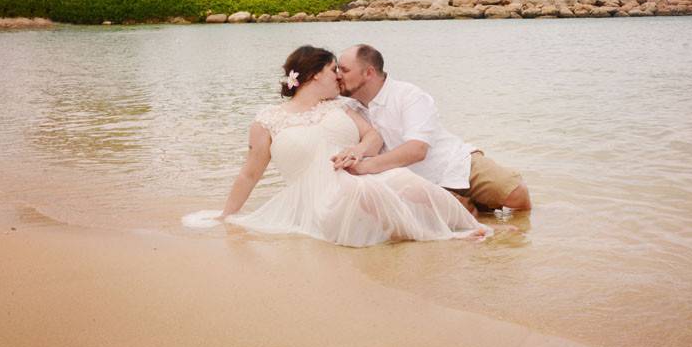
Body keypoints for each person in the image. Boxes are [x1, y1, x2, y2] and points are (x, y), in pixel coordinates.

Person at [182, 45, 490, 247]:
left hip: (355, 175)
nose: (339, 79)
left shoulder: (341, 107)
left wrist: (357, 151)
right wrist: (227, 214)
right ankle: (449, 239)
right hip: (316, 196)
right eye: (334, 71)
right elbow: (249, 174)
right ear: (315, 75)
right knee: (366, 193)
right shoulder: (267, 121)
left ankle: (474, 229)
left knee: (406, 181)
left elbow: (374, 136)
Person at [335, 44, 531, 214]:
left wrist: (365, 167)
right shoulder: (348, 109)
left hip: (453, 164)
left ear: (368, 72)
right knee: (470, 225)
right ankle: (475, 208)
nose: (338, 75)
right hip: (420, 185)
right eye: (336, 70)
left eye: (344, 70)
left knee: (517, 196)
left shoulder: (408, 95)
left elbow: (417, 149)